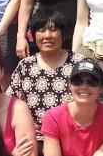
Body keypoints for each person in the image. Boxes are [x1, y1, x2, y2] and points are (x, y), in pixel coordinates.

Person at [10, 9, 88, 139]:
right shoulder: (25, 66)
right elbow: (12, 103)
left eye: (53, 29)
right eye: (41, 30)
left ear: (62, 34)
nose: (47, 35)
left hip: (73, 136)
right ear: (33, 35)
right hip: (35, 139)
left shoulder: (79, 63)